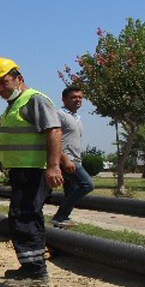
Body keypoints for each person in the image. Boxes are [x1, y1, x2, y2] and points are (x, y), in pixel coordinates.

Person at [0, 58, 64, 287]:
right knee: (26, 215)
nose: (0, 88)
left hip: (34, 171)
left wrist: (53, 166)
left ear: (19, 78)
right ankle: (32, 267)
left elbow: (54, 131)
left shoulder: (34, 100)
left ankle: (35, 272)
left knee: (23, 215)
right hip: (21, 171)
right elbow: (22, 140)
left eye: (3, 82)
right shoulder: (14, 105)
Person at [51, 86, 94, 227]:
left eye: (80, 97)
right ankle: (60, 216)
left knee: (70, 191)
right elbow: (53, 139)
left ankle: (61, 223)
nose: (77, 100)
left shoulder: (76, 117)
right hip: (67, 160)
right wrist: (64, 160)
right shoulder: (60, 115)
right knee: (87, 185)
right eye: (73, 97)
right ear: (64, 99)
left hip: (75, 159)